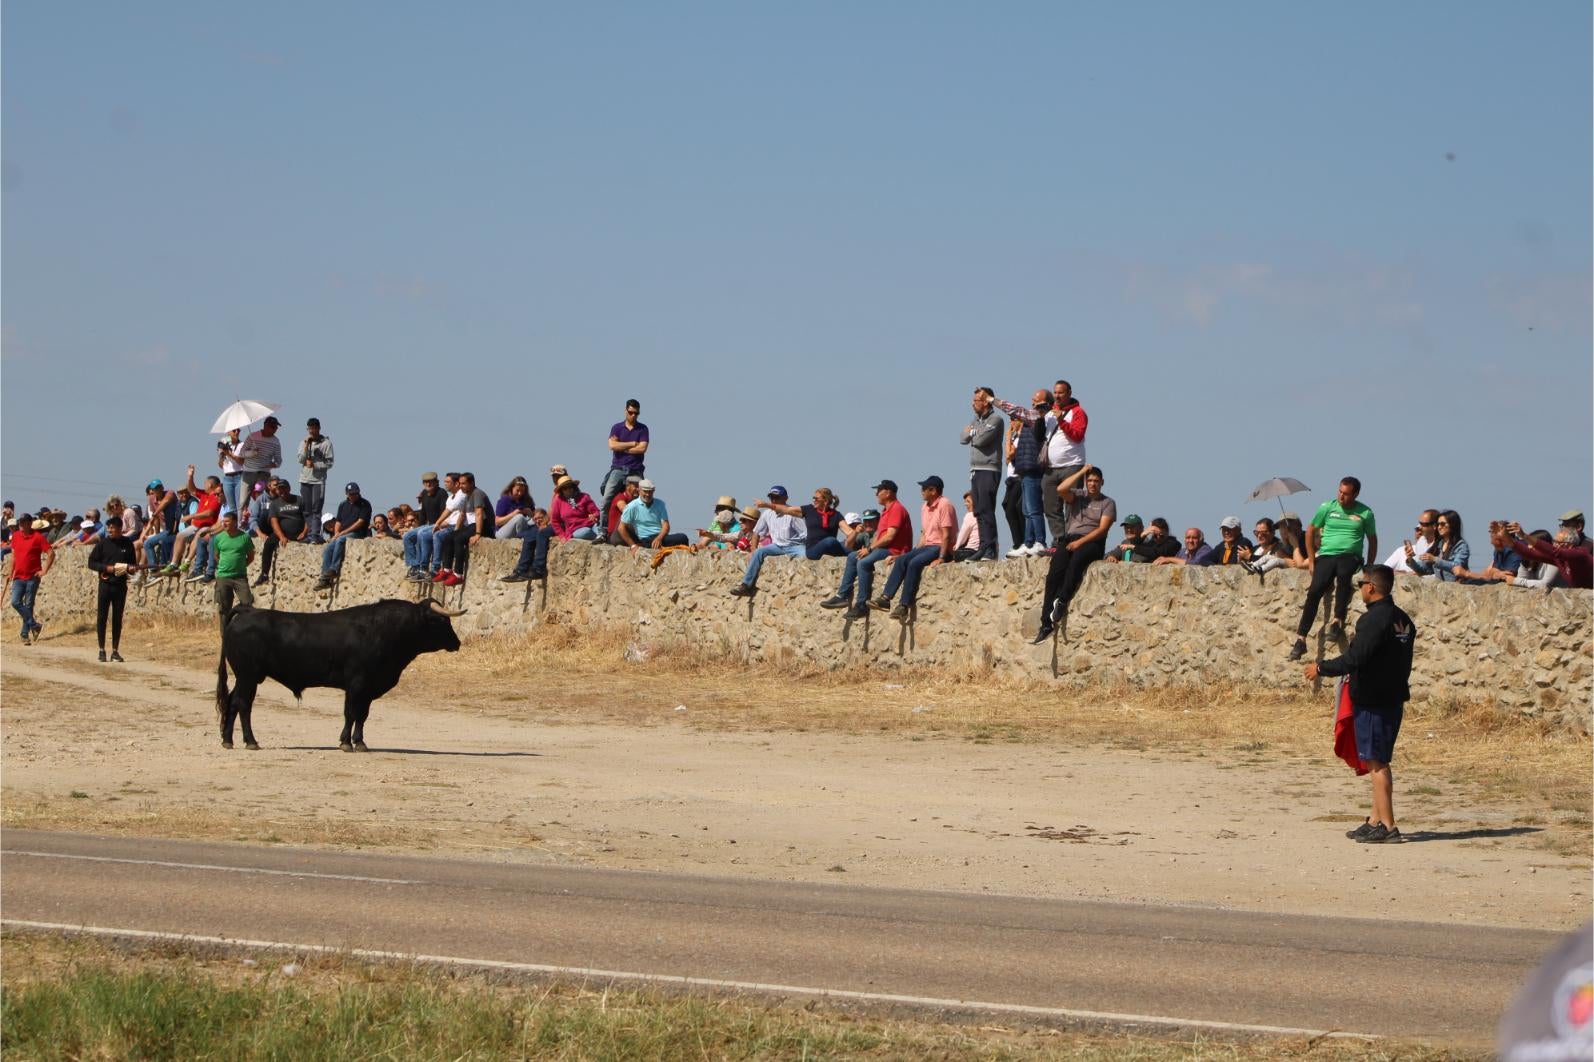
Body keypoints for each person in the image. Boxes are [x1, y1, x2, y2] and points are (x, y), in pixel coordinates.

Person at [1304, 565, 1416, 845]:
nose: (1359, 588)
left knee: (1377, 764)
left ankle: (1388, 827)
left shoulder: (1373, 620)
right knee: (1375, 760)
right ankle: (1375, 820)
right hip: (1391, 696)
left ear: (1371, 587)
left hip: (1374, 699)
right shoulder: (1403, 620)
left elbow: (1354, 659)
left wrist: (1321, 667)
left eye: (1360, 583)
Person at [1289, 477, 1378, 661]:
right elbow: (1311, 531)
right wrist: (1312, 560)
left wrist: (1369, 564)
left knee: (1344, 574)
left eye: (1346, 494)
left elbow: (1373, 540)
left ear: (1355, 494)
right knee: (1315, 590)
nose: (1341, 496)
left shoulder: (1365, 513)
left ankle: (1337, 620)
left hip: (1350, 555)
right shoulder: (1327, 507)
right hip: (1327, 554)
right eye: (1340, 492)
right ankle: (1301, 639)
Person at [1031, 464, 1115, 642]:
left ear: (1102, 483)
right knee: (1054, 572)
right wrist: (1083, 471)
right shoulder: (1078, 496)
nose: (1092, 484)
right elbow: (1061, 488)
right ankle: (1045, 623)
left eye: (1096, 481)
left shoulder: (1107, 503)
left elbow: (1102, 529)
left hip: (1092, 541)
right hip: (1070, 539)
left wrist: (1080, 543)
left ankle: (1061, 601)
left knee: (1076, 564)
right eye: (1090, 480)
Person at [869, 475, 958, 619]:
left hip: (941, 547)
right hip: (928, 546)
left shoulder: (945, 505)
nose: (921, 491)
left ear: (933, 490)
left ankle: (904, 605)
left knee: (914, 563)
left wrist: (942, 557)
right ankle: (885, 599)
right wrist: (911, 553)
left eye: (924, 488)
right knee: (902, 560)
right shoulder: (925, 507)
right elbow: (924, 535)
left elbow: (946, 535)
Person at [821, 481, 911, 618]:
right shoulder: (886, 510)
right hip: (884, 548)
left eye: (879, 491)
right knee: (853, 557)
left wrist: (869, 549)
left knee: (863, 563)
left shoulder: (896, 509)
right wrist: (868, 549)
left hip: (894, 550)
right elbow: (880, 536)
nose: (876, 494)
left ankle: (861, 605)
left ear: (888, 493)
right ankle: (842, 596)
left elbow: (890, 537)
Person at [730, 486, 808, 597]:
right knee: (758, 553)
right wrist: (753, 550)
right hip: (777, 546)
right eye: (772, 498)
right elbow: (757, 532)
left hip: (794, 545)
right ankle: (746, 585)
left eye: (777, 498)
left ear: (785, 498)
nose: (774, 501)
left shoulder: (792, 514)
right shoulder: (767, 514)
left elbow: (805, 534)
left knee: (807, 555)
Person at [85, 514, 138, 662]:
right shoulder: (102, 544)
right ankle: (101, 650)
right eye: (108, 527)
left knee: (117, 618)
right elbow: (91, 563)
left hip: (120, 586)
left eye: (112, 528)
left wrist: (131, 569)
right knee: (101, 618)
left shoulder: (128, 544)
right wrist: (106, 568)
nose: (109, 530)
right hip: (105, 585)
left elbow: (132, 564)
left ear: (120, 529)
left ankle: (115, 650)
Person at [960, 387, 1002, 561]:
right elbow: (963, 438)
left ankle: (990, 548)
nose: (972, 403)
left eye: (976, 400)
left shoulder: (996, 419)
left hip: (988, 469)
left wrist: (972, 433)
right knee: (978, 511)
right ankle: (983, 547)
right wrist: (972, 432)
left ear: (986, 401)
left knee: (986, 509)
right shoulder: (976, 421)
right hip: (975, 470)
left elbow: (981, 440)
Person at [598, 399, 649, 535]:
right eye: (631, 412)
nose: (633, 416)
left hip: (635, 470)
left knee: (643, 500)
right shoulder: (617, 427)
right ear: (625, 411)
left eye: (636, 413)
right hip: (618, 469)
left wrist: (622, 446)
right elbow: (612, 446)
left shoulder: (643, 428)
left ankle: (642, 532)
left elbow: (642, 448)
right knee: (606, 499)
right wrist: (632, 443)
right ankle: (602, 531)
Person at [434, 472, 490, 586]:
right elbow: (462, 515)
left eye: (464, 483)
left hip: (483, 525)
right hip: (471, 525)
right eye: (460, 483)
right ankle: (446, 570)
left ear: (472, 483)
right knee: (449, 537)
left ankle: (458, 574)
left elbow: (479, 514)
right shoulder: (467, 495)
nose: (461, 486)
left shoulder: (477, 494)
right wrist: (456, 530)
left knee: (459, 539)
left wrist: (478, 534)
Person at [314, 482, 372, 591]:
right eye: (351, 494)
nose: (353, 496)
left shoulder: (365, 504)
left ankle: (334, 569)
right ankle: (324, 578)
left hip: (358, 533)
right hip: (343, 532)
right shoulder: (343, 504)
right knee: (328, 548)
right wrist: (336, 533)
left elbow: (360, 522)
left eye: (355, 493)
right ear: (346, 494)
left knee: (340, 540)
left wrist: (341, 533)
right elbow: (338, 521)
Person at [1507, 521, 1593, 590]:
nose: (1554, 545)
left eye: (1558, 543)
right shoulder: (1559, 560)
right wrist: (1508, 540)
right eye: (1554, 542)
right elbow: (1531, 554)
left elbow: (1556, 552)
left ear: (1569, 545)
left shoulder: (1581, 553)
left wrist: (1524, 535)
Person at [8, 513, 53, 644]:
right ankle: (35, 626)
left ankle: (24, 634)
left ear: (29, 523)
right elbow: (14, 556)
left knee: (28, 605)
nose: (21, 524)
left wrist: (44, 570)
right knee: (15, 602)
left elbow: (51, 553)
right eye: (20, 522)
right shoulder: (16, 536)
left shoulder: (38, 537)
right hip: (18, 576)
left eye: (23, 522)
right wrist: (10, 572)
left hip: (32, 577)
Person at [256, 478, 307, 585]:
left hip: (300, 534)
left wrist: (304, 532)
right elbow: (274, 522)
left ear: (289, 488)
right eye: (279, 489)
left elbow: (308, 518)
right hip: (283, 533)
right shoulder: (275, 503)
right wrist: (281, 536)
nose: (282, 491)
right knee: (269, 544)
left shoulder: (299, 500)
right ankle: (264, 574)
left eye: (284, 488)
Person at [618, 479, 689, 553]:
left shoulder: (660, 504)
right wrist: (632, 545)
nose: (648, 494)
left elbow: (666, 525)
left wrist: (659, 538)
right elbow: (621, 528)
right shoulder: (632, 506)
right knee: (651, 543)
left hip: (661, 537)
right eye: (645, 491)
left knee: (683, 537)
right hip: (646, 539)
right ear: (639, 490)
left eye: (650, 492)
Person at [210, 509, 255, 618]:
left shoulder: (244, 537)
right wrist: (225, 566)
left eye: (227, 521)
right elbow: (216, 556)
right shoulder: (218, 538)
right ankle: (225, 634)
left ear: (235, 522)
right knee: (224, 609)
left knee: (247, 604)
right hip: (223, 577)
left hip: (240, 577)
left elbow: (251, 556)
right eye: (223, 521)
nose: (224, 524)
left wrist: (240, 566)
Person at [405, 472, 450, 580]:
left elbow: (444, 513)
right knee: (408, 536)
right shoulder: (424, 494)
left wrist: (437, 525)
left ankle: (423, 568)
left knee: (422, 534)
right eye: (426, 482)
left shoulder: (442, 493)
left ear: (436, 482)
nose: (428, 484)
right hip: (428, 524)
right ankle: (414, 566)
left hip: (439, 524)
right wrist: (418, 527)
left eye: (431, 482)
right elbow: (423, 514)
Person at [296, 418, 335, 544]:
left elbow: (330, 463)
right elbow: (300, 459)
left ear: (319, 428)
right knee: (306, 509)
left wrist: (316, 466)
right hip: (305, 479)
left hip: (318, 480)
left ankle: (315, 534)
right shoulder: (304, 442)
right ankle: (309, 533)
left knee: (316, 508)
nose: (312, 431)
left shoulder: (326, 443)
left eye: (314, 428)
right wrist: (306, 445)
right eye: (310, 428)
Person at [1406, 510, 1469, 582]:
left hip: (1458, 590)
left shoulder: (1461, 546)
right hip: (1442, 590)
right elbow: (1423, 570)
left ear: (1452, 525)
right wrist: (1410, 559)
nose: (1439, 527)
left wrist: (1435, 560)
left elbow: (1457, 568)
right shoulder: (1437, 546)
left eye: (1442, 524)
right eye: (1438, 524)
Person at [503, 507, 558, 583]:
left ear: (546, 516)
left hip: (554, 528)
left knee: (538, 533)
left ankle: (537, 569)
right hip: (536, 531)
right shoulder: (535, 528)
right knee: (529, 536)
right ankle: (520, 570)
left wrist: (546, 525)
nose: (538, 521)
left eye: (540, 518)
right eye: (535, 519)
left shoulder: (549, 525)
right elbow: (520, 534)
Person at [1381, 510, 1438, 574]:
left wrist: (1406, 573)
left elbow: (1428, 572)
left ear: (1434, 526)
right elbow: (1383, 570)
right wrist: (1410, 559)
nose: (1420, 529)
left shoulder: (1441, 545)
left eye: (1423, 524)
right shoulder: (1402, 550)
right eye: (1417, 529)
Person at [239, 415, 283, 496]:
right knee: (243, 500)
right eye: (272, 427)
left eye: (276, 428)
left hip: (264, 472)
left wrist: (274, 464)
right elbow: (241, 453)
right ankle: (244, 509)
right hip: (249, 471)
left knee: (259, 491)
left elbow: (278, 460)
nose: (274, 430)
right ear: (265, 426)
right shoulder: (252, 436)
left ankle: (259, 507)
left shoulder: (276, 441)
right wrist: (251, 453)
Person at [549, 475, 601, 541]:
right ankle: (599, 539)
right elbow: (555, 521)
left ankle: (600, 538)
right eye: (565, 488)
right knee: (585, 532)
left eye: (570, 487)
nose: (568, 490)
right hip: (575, 530)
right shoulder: (558, 502)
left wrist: (594, 516)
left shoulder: (584, 497)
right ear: (561, 490)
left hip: (591, 524)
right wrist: (562, 536)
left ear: (574, 487)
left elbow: (596, 511)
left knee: (600, 529)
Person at [605, 476, 642, 545]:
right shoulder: (620, 498)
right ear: (628, 486)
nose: (638, 489)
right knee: (627, 517)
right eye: (636, 486)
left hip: (626, 534)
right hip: (615, 535)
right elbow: (626, 510)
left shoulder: (635, 501)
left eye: (639, 487)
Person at [217, 427, 245, 517]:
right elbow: (221, 465)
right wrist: (222, 454)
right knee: (231, 507)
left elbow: (241, 462)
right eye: (234, 430)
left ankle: (240, 526)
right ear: (228, 432)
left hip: (239, 476)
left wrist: (229, 454)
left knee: (240, 506)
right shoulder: (224, 443)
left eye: (238, 430)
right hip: (227, 477)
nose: (237, 432)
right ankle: (234, 527)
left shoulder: (242, 444)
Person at [953, 490, 981, 561]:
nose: (965, 504)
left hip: (972, 552)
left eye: (968, 501)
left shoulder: (970, 515)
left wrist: (956, 547)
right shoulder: (985, 515)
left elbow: (962, 536)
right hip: (985, 553)